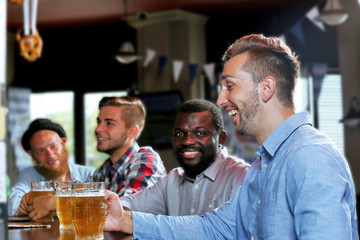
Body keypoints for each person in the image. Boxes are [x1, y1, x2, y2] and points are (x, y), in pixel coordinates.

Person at [103, 34, 359, 239]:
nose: (220, 99)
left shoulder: (310, 156)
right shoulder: (263, 165)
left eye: (230, 85)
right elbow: (214, 228)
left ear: (266, 88)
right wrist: (124, 219)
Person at [120, 99, 249, 216]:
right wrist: (108, 204)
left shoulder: (241, 177)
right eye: (179, 133)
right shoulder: (171, 181)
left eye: (200, 133)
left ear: (221, 139)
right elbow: (128, 206)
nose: (187, 141)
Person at [8, 118, 95, 220]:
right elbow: (11, 206)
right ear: (31, 154)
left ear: (63, 143)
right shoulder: (28, 175)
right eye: (40, 151)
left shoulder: (89, 174)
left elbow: (104, 204)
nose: (50, 155)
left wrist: (50, 204)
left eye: (53, 146)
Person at [89, 96, 167, 197]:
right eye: (99, 122)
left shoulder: (146, 161)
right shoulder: (103, 170)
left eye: (109, 123)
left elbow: (125, 210)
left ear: (132, 132)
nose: (98, 129)